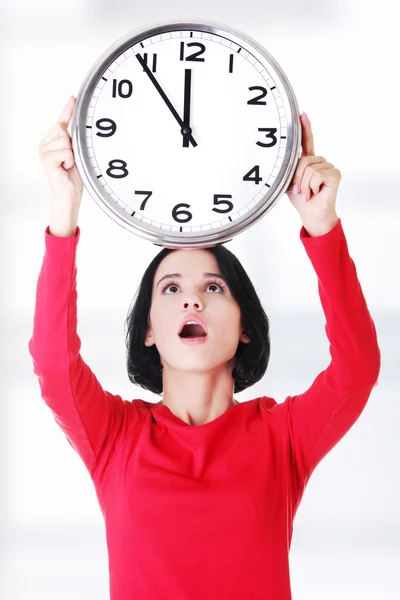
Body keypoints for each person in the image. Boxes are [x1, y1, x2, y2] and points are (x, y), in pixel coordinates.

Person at [29, 96, 381, 600]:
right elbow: (53, 363)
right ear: (148, 329)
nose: (191, 296)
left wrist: (322, 223)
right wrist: (64, 208)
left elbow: (357, 369)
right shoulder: (117, 438)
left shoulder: (281, 438)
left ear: (244, 327)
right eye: (170, 288)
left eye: (214, 288)